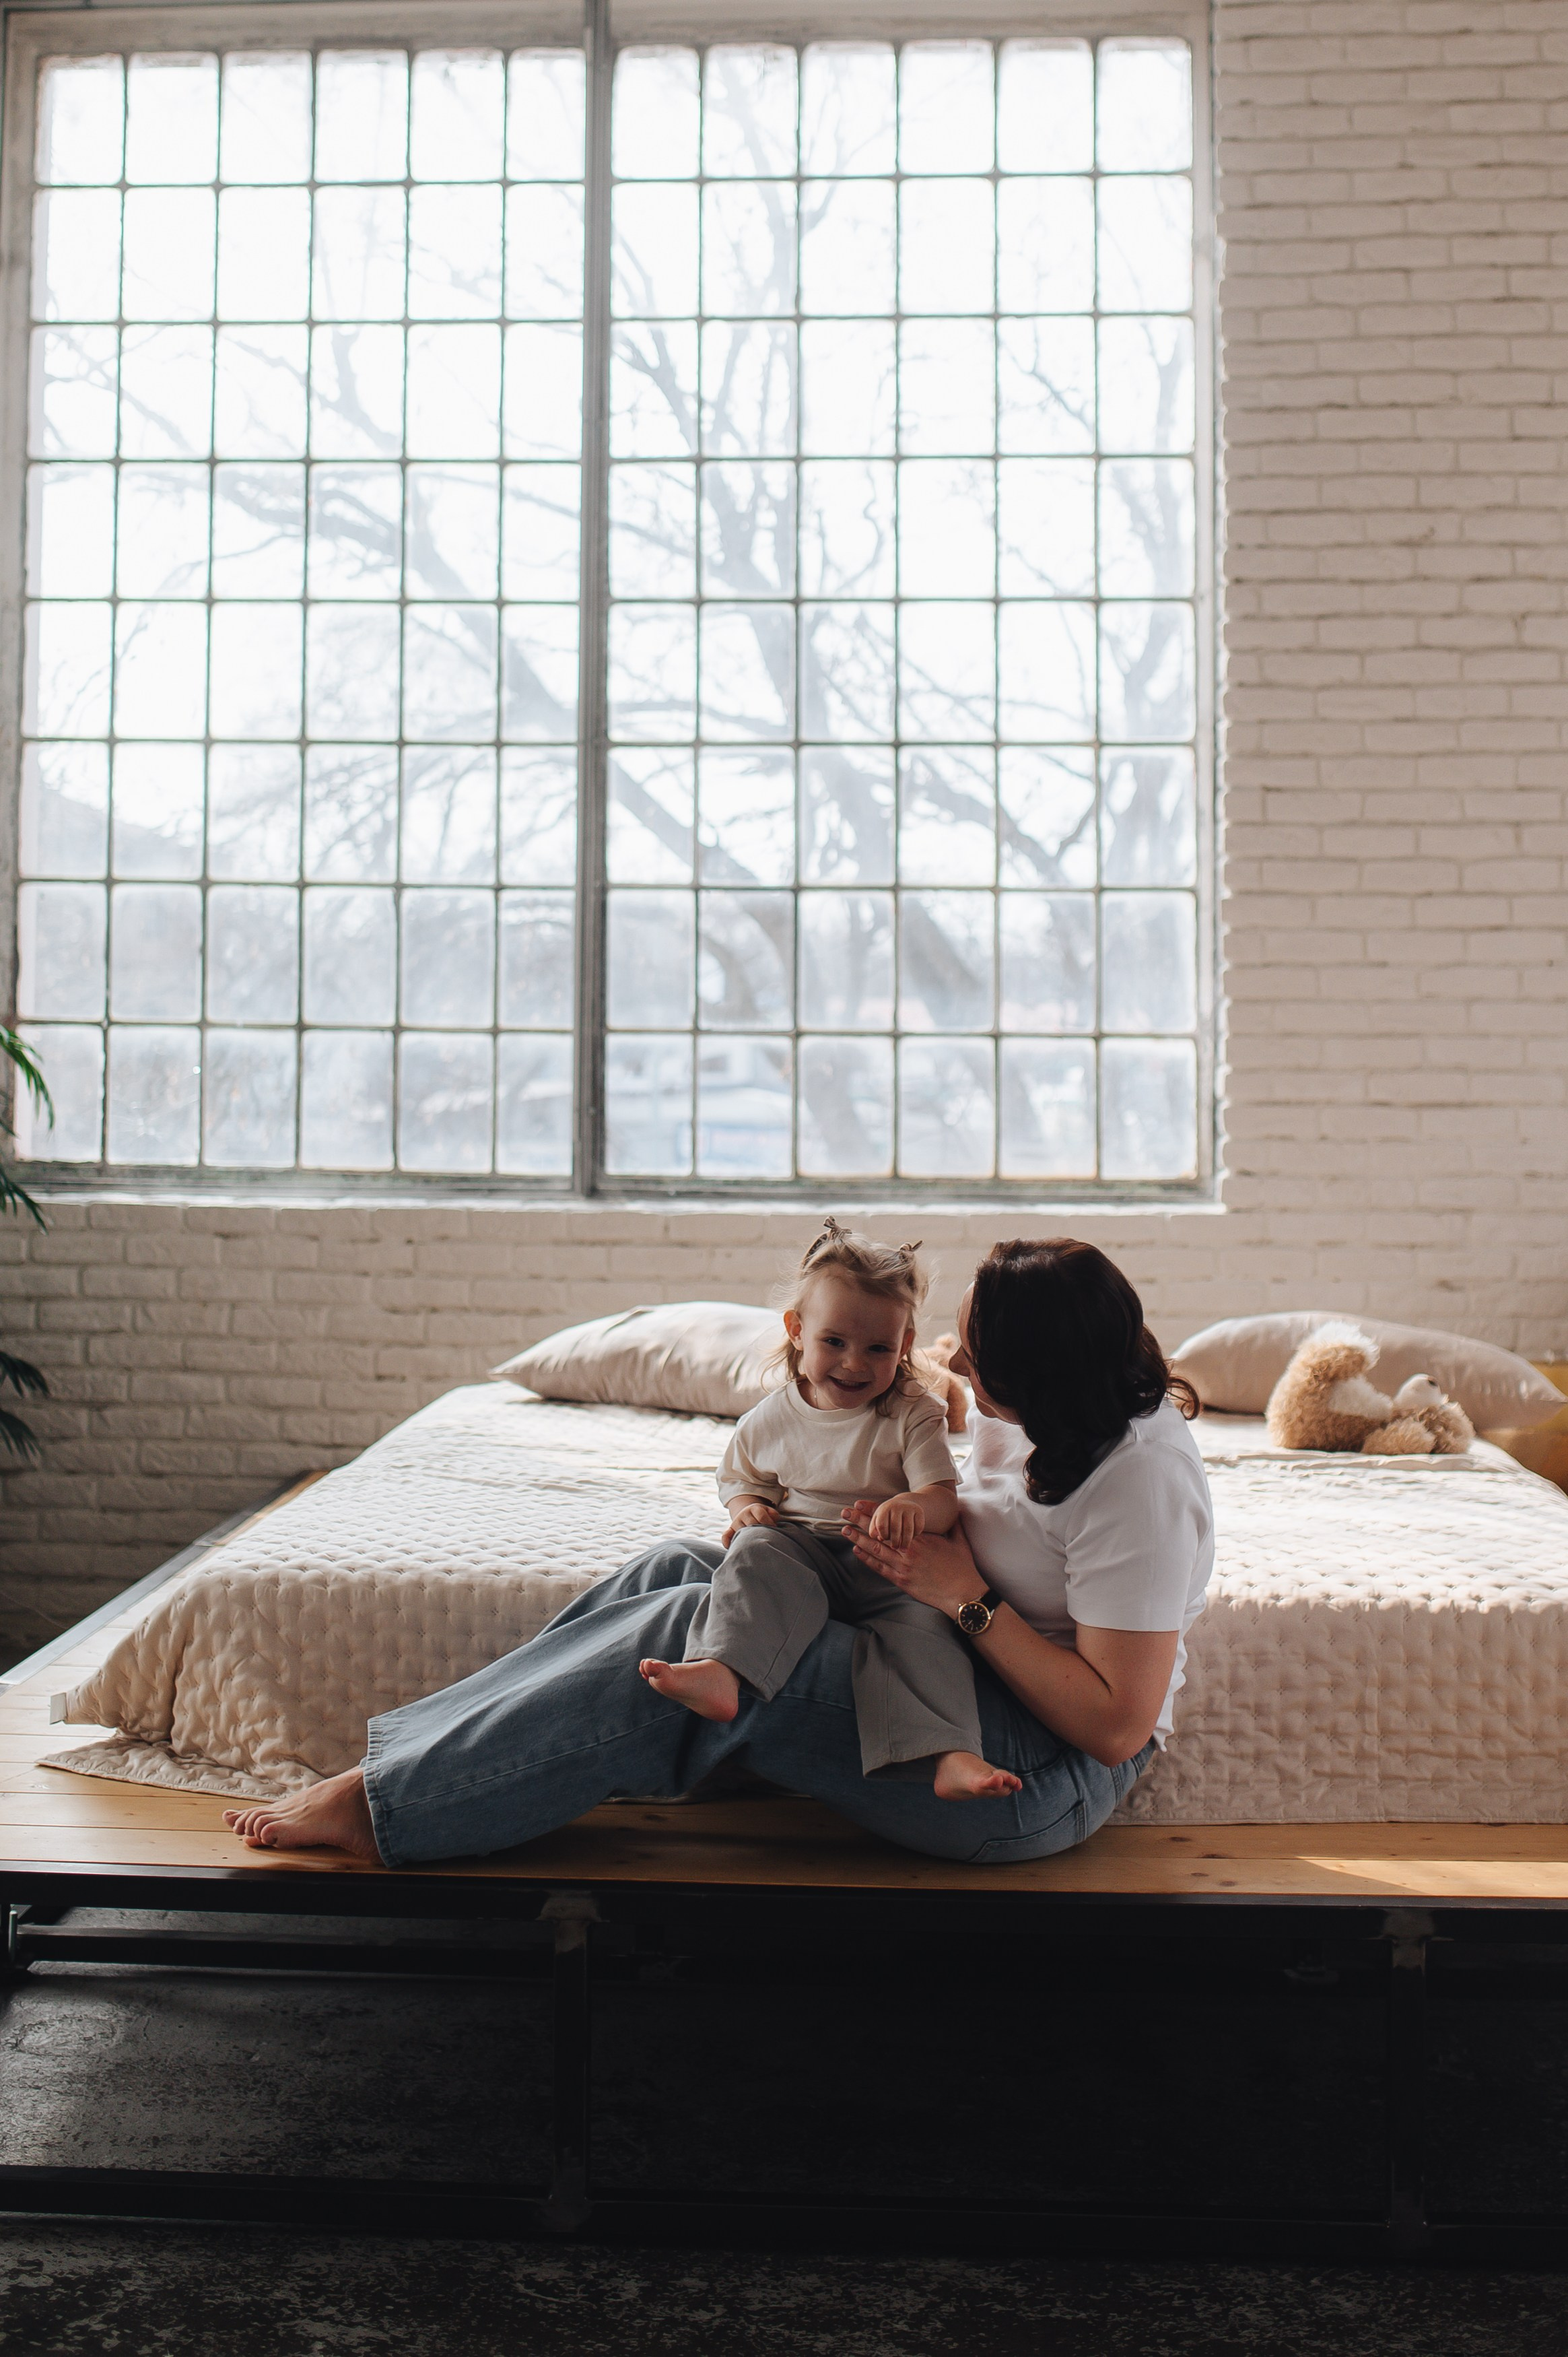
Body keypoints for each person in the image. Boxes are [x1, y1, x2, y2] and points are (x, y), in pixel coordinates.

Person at [224, 1238, 1214, 1869]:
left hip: (1034, 1775)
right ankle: (407, 1762)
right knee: (679, 1569)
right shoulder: (1035, 1409)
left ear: (1043, 1373)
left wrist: (966, 1601)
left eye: (973, 1354)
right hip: (957, 1663)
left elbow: (1116, 1728)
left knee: (679, 1627)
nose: (953, 1364)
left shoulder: (1138, 1482)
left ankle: (394, 1807)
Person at [638, 1217, 1021, 1802]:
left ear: (906, 1346)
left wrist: (912, 1506)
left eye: (877, 1349)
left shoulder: (912, 1413)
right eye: (834, 1342)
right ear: (796, 1330)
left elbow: (945, 1498)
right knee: (754, 1554)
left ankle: (952, 1754)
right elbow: (740, 1479)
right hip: (803, 1550)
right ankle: (722, 1670)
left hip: (889, 1565)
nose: (854, 1365)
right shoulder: (771, 1418)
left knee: (926, 1632)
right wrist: (746, 1510)